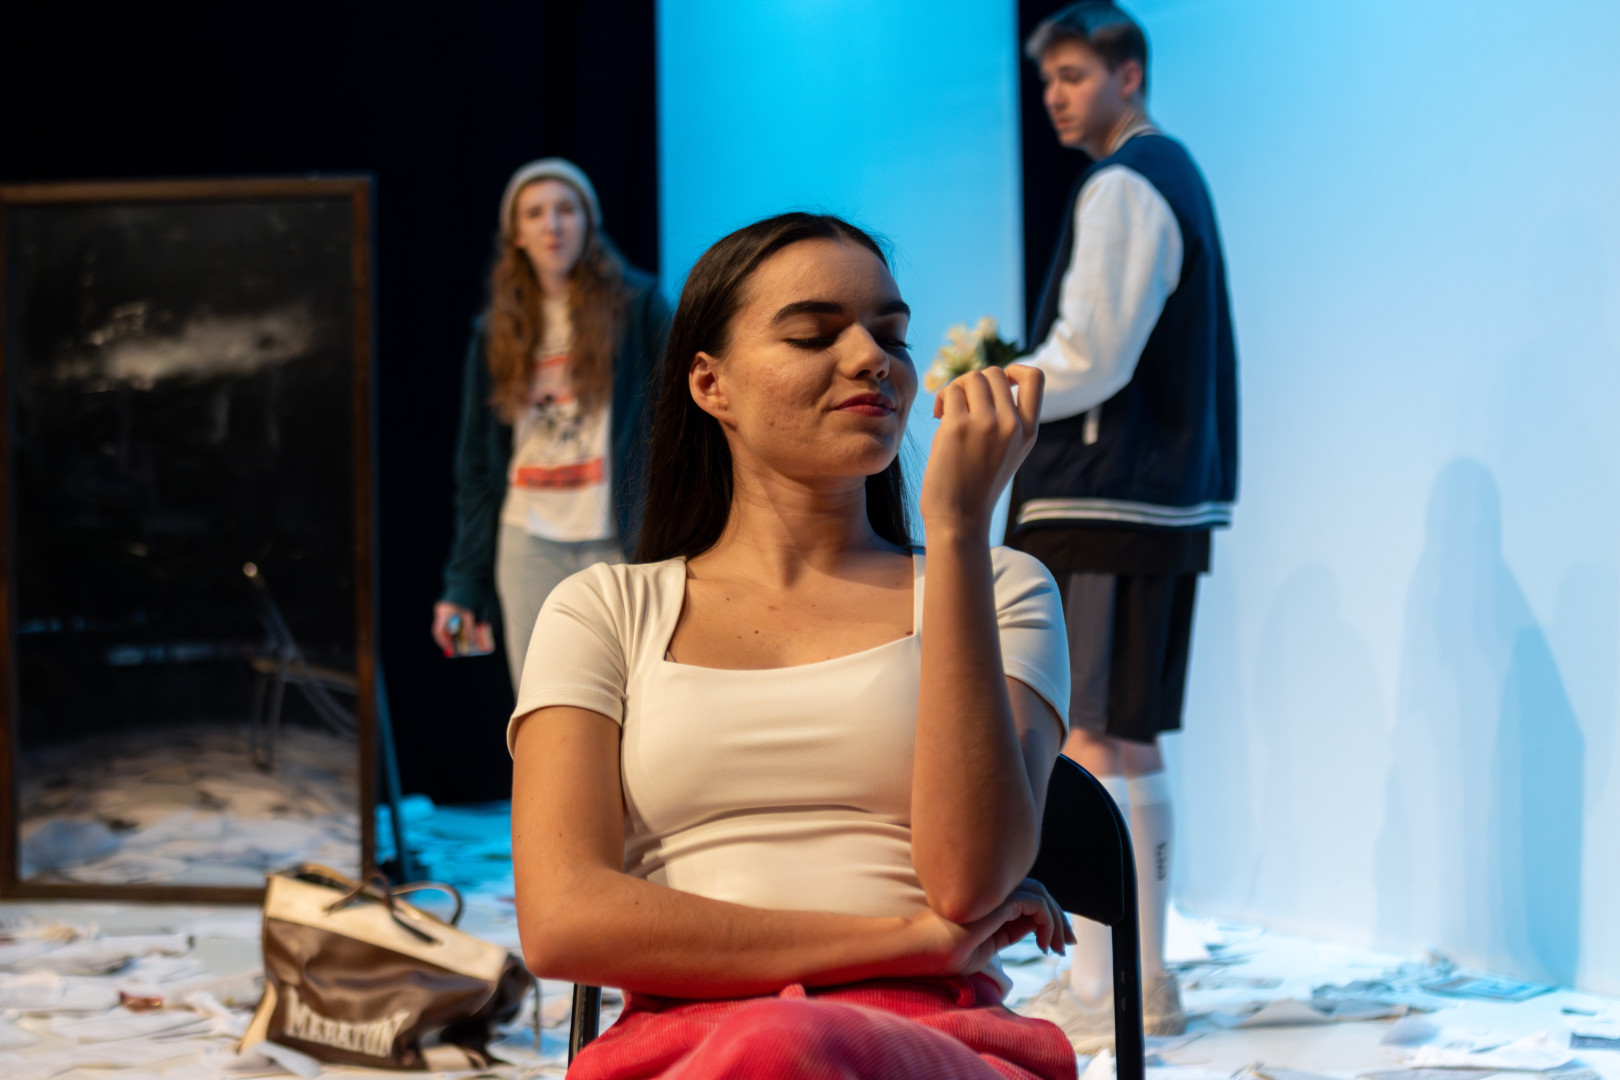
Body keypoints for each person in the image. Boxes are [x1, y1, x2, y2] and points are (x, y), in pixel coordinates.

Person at [507, 213, 1080, 1079]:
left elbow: (969, 882)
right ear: (711, 384)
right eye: (815, 334)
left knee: (779, 1045)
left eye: (892, 335)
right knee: (772, 1045)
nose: (871, 358)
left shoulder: (998, 587)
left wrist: (960, 531)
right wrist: (908, 940)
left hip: (938, 1040)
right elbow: (563, 922)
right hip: (680, 1049)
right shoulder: (604, 611)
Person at [1007, 1, 1239, 1047]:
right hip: (1146, 497)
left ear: (1127, 74)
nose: (1054, 98)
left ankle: (1111, 989)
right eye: (1046, 81)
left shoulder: (1128, 182)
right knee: (1122, 731)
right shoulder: (1165, 174)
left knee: (1100, 731)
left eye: (1072, 76)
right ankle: (1132, 979)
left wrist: (997, 386)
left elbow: (1092, 353)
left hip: (1110, 495)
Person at [434, 159, 670, 687]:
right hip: (528, 542)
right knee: (543, 699)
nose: (553, 225)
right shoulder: (496, 330)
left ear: (589, 220)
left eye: (567, 209)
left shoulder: (638, 307)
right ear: (516, 233)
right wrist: (462, 583)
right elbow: (476, 470)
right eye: (536, 213)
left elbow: (688, 410)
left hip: (618, 538)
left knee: (636, 696)